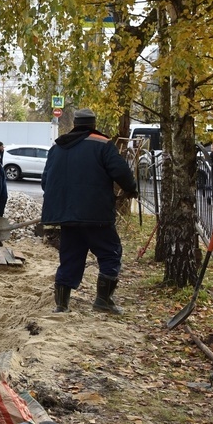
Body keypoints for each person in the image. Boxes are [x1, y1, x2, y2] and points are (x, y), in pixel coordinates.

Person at [41, 108, 137, 315]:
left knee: (70, 257)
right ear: (93, 125)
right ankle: (103, 300)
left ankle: (62, 305)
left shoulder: (57, 148)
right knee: (110, 253)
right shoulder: (102, 144)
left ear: (75, 124)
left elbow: (45, 182)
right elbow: (121, 172)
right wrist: (131, 189)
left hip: (67, 216)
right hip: (96, 215)